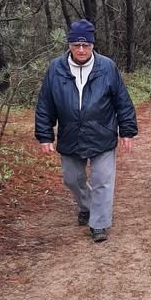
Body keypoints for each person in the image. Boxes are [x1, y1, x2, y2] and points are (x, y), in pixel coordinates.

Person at [35, 19, 138, 244]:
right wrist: (45, 134)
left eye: (86, 45)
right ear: (69, 45)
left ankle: (99, 223)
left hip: (102, 134)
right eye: (76, 45)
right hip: (70, 135)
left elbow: (122, 101)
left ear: (93, 45)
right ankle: (86, 205)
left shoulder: (107, 67)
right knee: (72, 178)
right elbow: (45, 104)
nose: (81, 50)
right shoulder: (56, 68)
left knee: (102, 179)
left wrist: (127, 130)